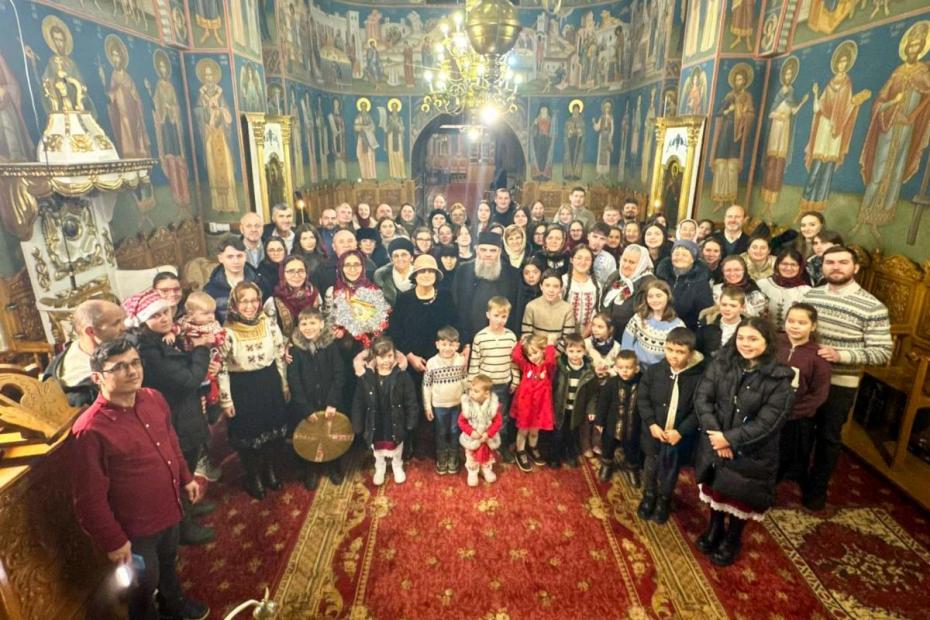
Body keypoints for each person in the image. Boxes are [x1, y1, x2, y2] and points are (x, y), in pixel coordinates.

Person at [70, 338, 209, 620]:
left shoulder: (153, 398)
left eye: (135, 362)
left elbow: (170, 441)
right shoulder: (90, 430)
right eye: (119, 367)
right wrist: (114, 541)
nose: (132, 371)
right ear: (97, 377)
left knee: (169, 563)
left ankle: (173, 603)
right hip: (135, 531)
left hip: (169, 509)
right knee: (143, 583)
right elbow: (88, 500)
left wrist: (186, 477)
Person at [694, 317, 794, 566]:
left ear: (767, 342)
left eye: (753, 339)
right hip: (715, 441)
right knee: (716, 489)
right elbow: (703, 398)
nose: (745, 344)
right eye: (741, 338)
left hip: (751, 452)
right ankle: (715, 527)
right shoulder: (721, 363)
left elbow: (767, 423)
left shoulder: (779, 379)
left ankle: (733, 538)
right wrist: (716, 436)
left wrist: (729, 440)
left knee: (739, 495)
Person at [801, 246, 892, 510]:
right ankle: (794, 477)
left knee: (828, 437)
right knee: (800, 432)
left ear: (856, 268)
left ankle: (816, 490)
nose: (836, 267)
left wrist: (841, 355)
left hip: (840, 382)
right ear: (822, 267)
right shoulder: (811, 296)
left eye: (843, 262)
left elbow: (882, 352)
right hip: (807, 380)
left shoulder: (872, 307)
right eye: (830, 262)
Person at [130, 289, 216, 546]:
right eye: (155, 315)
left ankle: (189, 506)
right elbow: (188, 379)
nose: (164, 318)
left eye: (165, 312)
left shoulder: (165, 338)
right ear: (144, 320)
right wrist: (201, 351)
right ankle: (184, 526)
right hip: (175, 416)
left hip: (185, 411)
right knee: (179, 471)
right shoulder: (150, 352)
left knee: (187, 465)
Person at [217, 282, 290, 500]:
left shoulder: (269, 324)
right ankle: (253, 476)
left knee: (272, 431)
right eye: (244, 301)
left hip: (268, 382)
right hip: (242, 387)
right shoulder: (226, 332)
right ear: (234, 304)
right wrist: (226, 400)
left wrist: (284, 384)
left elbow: (279, 355)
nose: (250, 306)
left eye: (254, 300)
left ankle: (270, 470)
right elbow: (221, 367)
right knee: (249, 435)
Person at [637, 327, 706, 524]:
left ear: (690, 354)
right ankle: (649, 494)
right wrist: (651, 423)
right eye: (669, 350)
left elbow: (699, 410)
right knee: (651, 465)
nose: (673, 356)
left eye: (680, 352)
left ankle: (664, 499)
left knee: (670, 469)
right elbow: (643, 399)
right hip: (654, 432)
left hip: (677, 436)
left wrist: (681, 431)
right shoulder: (654, 371)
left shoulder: (699, 378)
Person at [286, 306, 346, 490]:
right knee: (310, 437)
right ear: (298, 326)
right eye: (304, 323)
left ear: (321, 324)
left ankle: (333, 464)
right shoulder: (295, 350)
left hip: (329, 403)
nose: (308, 327)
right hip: (307, 405)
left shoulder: (331, 346)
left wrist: (332, 403)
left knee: (331, 434)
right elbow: (294, 381)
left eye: (312, 322)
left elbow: (339, 374)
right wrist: (306, 409)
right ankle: (311, 468)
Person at [351, 336, 419, 485]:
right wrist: (357, 423)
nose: (386, 361)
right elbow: (358, 401)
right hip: (376, 419)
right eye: (381, 357)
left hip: (395, 418)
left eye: (389, 356)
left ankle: (397, 464)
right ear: (374, 357)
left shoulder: (402, 375)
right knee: (377, 445)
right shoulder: (365, 377)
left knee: (396, 443)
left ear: (395, 355)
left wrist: (411, 421)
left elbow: (411, 399)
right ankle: (380, 465)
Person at [776, 303, 831, 484]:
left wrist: (792, 412)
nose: (795, 326)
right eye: (791, 321)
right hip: (767, 411)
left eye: (802, 322)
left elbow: (818, 394)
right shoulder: (773, 343)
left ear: (813, 326)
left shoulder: (818, 357)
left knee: (785, 456)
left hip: (794, 417)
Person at [44, 300, 126, 407]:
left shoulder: (83, 347)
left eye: (123, 320)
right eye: (116, 323)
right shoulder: (85, 390)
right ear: (90, 331)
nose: (124, 328)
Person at [467, 296, 520, 463]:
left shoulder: (511, 337)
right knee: (482, 417)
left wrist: (515, 380)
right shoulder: (480, 337)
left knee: (500, 418)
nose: (499, 320)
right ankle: (481, 447)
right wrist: (472, 385)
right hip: (485, 388)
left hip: (503, 384)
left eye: (504, 316)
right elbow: (474, 363)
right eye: (496, 315)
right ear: (488, 315)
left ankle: (500, 446)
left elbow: (514, 362)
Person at [453, 231, 521, 344]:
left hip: (503, 340)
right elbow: (456, 305)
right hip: (469, 339)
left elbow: (517, 311)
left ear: (499, 252)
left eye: (493, 250)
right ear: (477, 250)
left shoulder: (512, 274)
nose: (488, 254)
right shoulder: (463, 271)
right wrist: (463, 342)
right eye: (483, 250)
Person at [423, 326, 468, 476]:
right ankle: (441, 456)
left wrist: (467, 402)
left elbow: (465, 381)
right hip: (439, 406)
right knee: (441, 431)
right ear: (437, 344)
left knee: (455, 431)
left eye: (451, 344)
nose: (447, 348)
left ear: (457, 345)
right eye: (444, 344)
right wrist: (428, 407)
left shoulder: (461, 361)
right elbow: (427, 386)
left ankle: (453, 455)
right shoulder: (431, 363)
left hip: (457, 404)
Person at [510, 334, 557, 472]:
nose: (533, 357)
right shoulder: (526, 366)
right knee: (523, 430)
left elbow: (550, 360)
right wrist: (521, 342)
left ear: (542, 350)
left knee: (535, 431)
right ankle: (520, 451)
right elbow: (516, 356)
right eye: (530, 355)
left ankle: (532, 447)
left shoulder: (547, 367)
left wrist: (550, 344)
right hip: (525, 406)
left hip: (540, 407)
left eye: (535, 353)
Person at [550, 333, 596, 469]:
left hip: (577, 409)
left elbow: (593, 393)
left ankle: (569, 454)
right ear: (565, 351)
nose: (575, 355)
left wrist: (591, 410)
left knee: (572, 434)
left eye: (579, 351)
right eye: (571, 351)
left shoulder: (588, 370)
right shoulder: (560, 366)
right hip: (560, 408)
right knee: (558, 433)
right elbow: (553, 386)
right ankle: (555, 455)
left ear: (584, 351)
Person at [596, 351, 642, 482]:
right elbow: (603, 402)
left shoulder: (641, 383)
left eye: (628, 368)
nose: (624, 371)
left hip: (632, 425)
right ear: (615, 368)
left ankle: (632, 468)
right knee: (608, 446)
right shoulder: (611, 383)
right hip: (612, 424)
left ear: (636, 368)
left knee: (632, 448)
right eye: (621, 368)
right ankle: (607, 464)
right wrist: (600, 421)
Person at [622, 280, 685, 367]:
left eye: (659, 296)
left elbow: (676, 355)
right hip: (636, 367)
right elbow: (626, 343)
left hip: (660, 370)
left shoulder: (678, 326)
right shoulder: (639, 317)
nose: (654, 300)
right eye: (650, 297)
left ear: (668, 297)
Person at [655, 239, 715, 331]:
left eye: (684, 255)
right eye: (676, 254)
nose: (680, 257)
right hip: (657, 323)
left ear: (692, 259)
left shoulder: (701, 282)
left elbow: (704, 313)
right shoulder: (661, 276)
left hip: (685, 329)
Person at [601, 244, 656, 340]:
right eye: (624, 260)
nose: (626, 265)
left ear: (642, 264)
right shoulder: (616, 276)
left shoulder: (649, 284)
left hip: (630, 339)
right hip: (607, 337)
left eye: (632, 262)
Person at [458, 374, 503, 486]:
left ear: (486, 394)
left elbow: (498, 422)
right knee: (471, 456)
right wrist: (471, 432)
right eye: (471, 389)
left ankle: (486, 469)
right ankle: (472, 472)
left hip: (487, 439)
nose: (471, 393)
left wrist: (489, 434)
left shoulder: (492, 406)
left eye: (476, 391)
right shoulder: (468, 406)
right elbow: (461, 421)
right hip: (472, 439)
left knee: (487, 455)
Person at [204, 236, 261, 323]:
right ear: (220, 258)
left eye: (239, 256)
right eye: (230, 257)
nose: (236, 261)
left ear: (245, 257)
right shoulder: (210, 289)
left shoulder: (260, 282)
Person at [264, 255, 320, 338]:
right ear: (282, 274)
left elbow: (323, 323)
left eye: (301, 271)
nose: (296, 275)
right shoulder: (273, 302)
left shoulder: (314, 295)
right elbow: (270, 333)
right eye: (290, 271)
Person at [757, 249, 812, 328]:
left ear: (800, 267)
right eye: (784, 264)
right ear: (777, 265)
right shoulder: (762, 285)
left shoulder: (806, 291)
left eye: (793, 265)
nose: (788, 268)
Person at [522, 270, 577, 344]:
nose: (551, 290)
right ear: (541, 286)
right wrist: (538, 349)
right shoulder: (531, 306)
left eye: (556, 286)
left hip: (558, 350)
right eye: (547, 285)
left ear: (561, 288)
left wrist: (551, 350)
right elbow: (526, 336)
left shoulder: (567, 308)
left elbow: (568, 339)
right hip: (535, 349)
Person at [696, 286, 746, 358]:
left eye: (733, 306)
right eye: (724, 305)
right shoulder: (707, 327)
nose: (727, 309)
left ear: (742, 307)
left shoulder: (750, 328)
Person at [562, 245, 600, 337]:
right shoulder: (563, 282)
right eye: (579, 258)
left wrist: (582, 337)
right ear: (571, 260)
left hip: (587, 336)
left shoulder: (596, 285)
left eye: (587, 259)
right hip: (563, 334)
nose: (583, 262)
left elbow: (595, 314)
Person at [373, 238, 416, 306]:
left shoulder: (420, 275)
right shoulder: (382, 277)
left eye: (404, 255)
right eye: (396, 256)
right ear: (391, 259)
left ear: (411, 258)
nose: (400, 259)